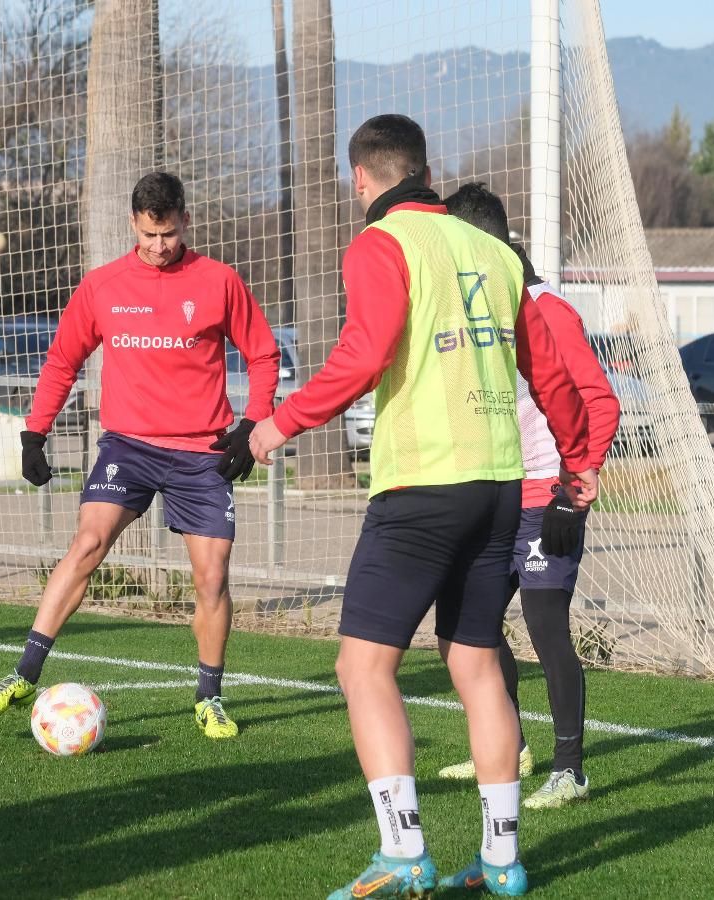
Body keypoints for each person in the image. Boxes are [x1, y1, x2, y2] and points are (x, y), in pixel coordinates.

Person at [248, 115, 596, 897]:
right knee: (474, 662)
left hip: (421, 488)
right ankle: (502, 863)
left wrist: (276, 425)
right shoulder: (494, 252)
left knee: (363, 666)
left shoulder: (381, 243)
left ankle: (403, 851)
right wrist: (577, 465)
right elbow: (548, 373)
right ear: (426, 172)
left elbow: (364, 354)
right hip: (501, 488)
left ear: (361, 180)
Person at [0, 171, 280, 740]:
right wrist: (35, 433)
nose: (158, 247)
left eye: (168, 234)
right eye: (148, 235)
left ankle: (209, 697)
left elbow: (263, 356)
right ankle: (23, 674)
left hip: (199, 452)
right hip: (128, 446)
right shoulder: (103, 286)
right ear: (133, 224)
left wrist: (251, 424)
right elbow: (63, 360)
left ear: (185, 221)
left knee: (212, 578)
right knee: (87, 544)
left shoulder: (219, 282)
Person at [435, 183, 620, 812]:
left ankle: (570, 770)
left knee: (544, 626)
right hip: (495, 494)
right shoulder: (479, 308)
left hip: (548, 497)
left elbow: (599, 401)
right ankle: (508, 745)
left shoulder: (547, 309)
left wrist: (575, 484)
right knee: (469, 626)